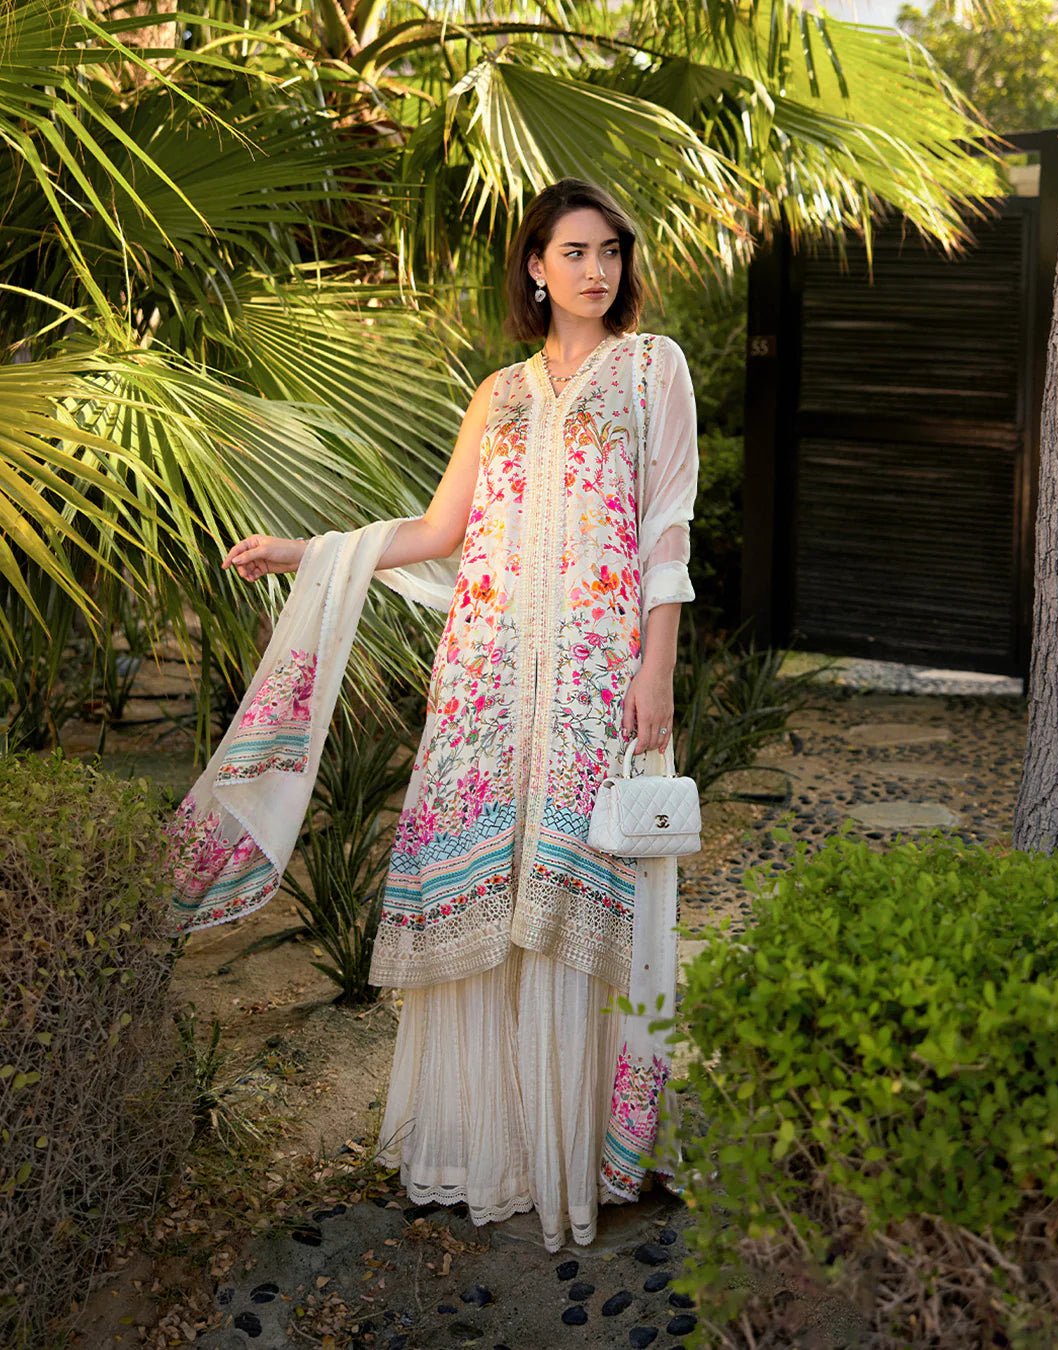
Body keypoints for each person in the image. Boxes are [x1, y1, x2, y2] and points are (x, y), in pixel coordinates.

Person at [220, 178, 700, 1253]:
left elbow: (666, 534)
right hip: (488, 682)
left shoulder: (650, 371)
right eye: (573, 252)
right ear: (534, 265)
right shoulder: (501, 391)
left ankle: (588, 1156)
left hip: (594, 678)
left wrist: (653, 673)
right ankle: (493, 1153)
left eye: (610, 251)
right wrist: (307, 552)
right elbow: (443, 530)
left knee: (586, 895)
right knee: (497, 916)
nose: (596, 270)